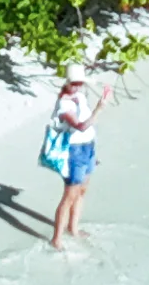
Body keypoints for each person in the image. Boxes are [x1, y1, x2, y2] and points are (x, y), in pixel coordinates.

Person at [44, 57, 110, 250]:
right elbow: (80, 126)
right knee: (70, 195)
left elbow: (87, 128)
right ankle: (56, 239)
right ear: (68, 83)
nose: (78, 87)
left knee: (82, 191)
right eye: (75, 83)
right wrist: (99, 108)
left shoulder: (79, 96)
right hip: (74, 151)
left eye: (80, 83)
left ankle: (73, 228)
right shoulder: (65, 104)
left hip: (88, 147)